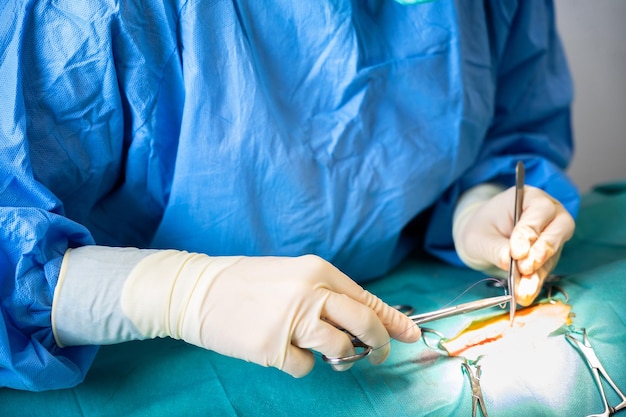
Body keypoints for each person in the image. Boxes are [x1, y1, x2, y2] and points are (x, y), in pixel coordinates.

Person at [0, 0, 578, 392]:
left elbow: (511, 119)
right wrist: (180, 293)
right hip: (129, 364)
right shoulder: (84, 19)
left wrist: (480, 201)